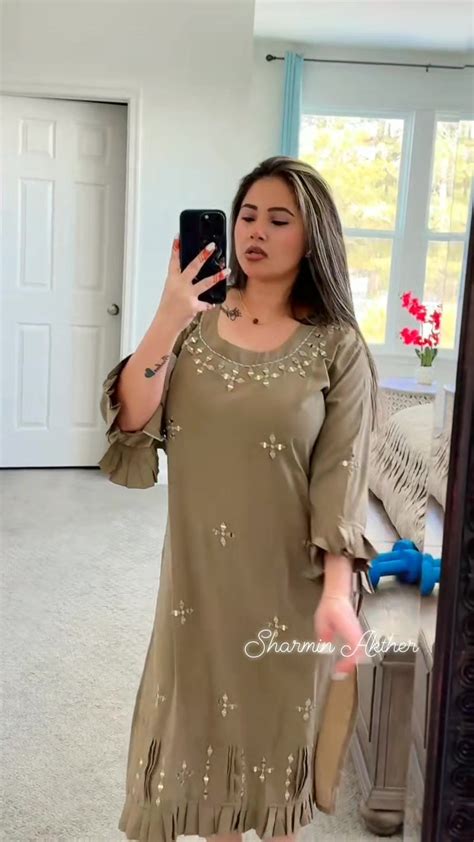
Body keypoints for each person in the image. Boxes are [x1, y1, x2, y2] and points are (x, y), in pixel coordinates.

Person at [98, 156, 380, 842]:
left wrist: (337, 594)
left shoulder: (337, 348)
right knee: (205, 766)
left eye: (279, 220)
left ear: (311, 239)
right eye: (247, 216)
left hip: (289, 589)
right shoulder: (191, 326)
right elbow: (131, 419)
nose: (256, 231)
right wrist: (169, 314)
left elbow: (341, 479)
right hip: (197, 588)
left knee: (274, 782)